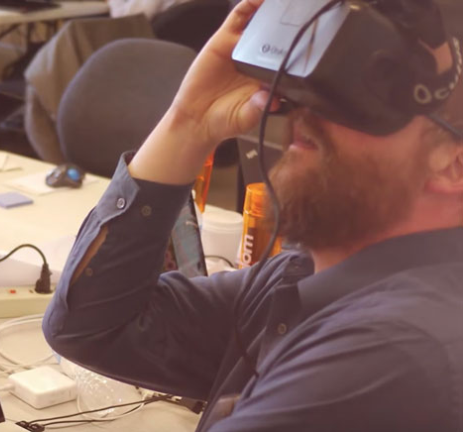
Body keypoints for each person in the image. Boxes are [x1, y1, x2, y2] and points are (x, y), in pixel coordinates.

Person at [42, 0, 463, 430]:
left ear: (454, 165)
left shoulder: (396, 349)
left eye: (367, 89)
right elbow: (89, 328)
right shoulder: (303, 277)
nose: (307, 112)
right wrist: (189, 122)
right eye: (314, 82)